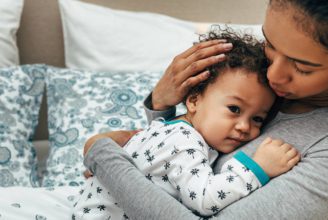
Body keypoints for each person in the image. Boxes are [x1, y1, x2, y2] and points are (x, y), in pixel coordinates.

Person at [83, 0, 328, 219]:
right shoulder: (258, 84)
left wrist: (102, 155)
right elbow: (178, 168)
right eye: (270, 45)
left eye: (302, 67)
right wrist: (161, 109)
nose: (274, 75)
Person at [73, 29, 300, 219]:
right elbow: (204, 199)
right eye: (234, 109)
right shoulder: (184, 141)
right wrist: (257, 167)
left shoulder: (167, 128)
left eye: (257, 119)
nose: (244, 126)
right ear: (193, 100)